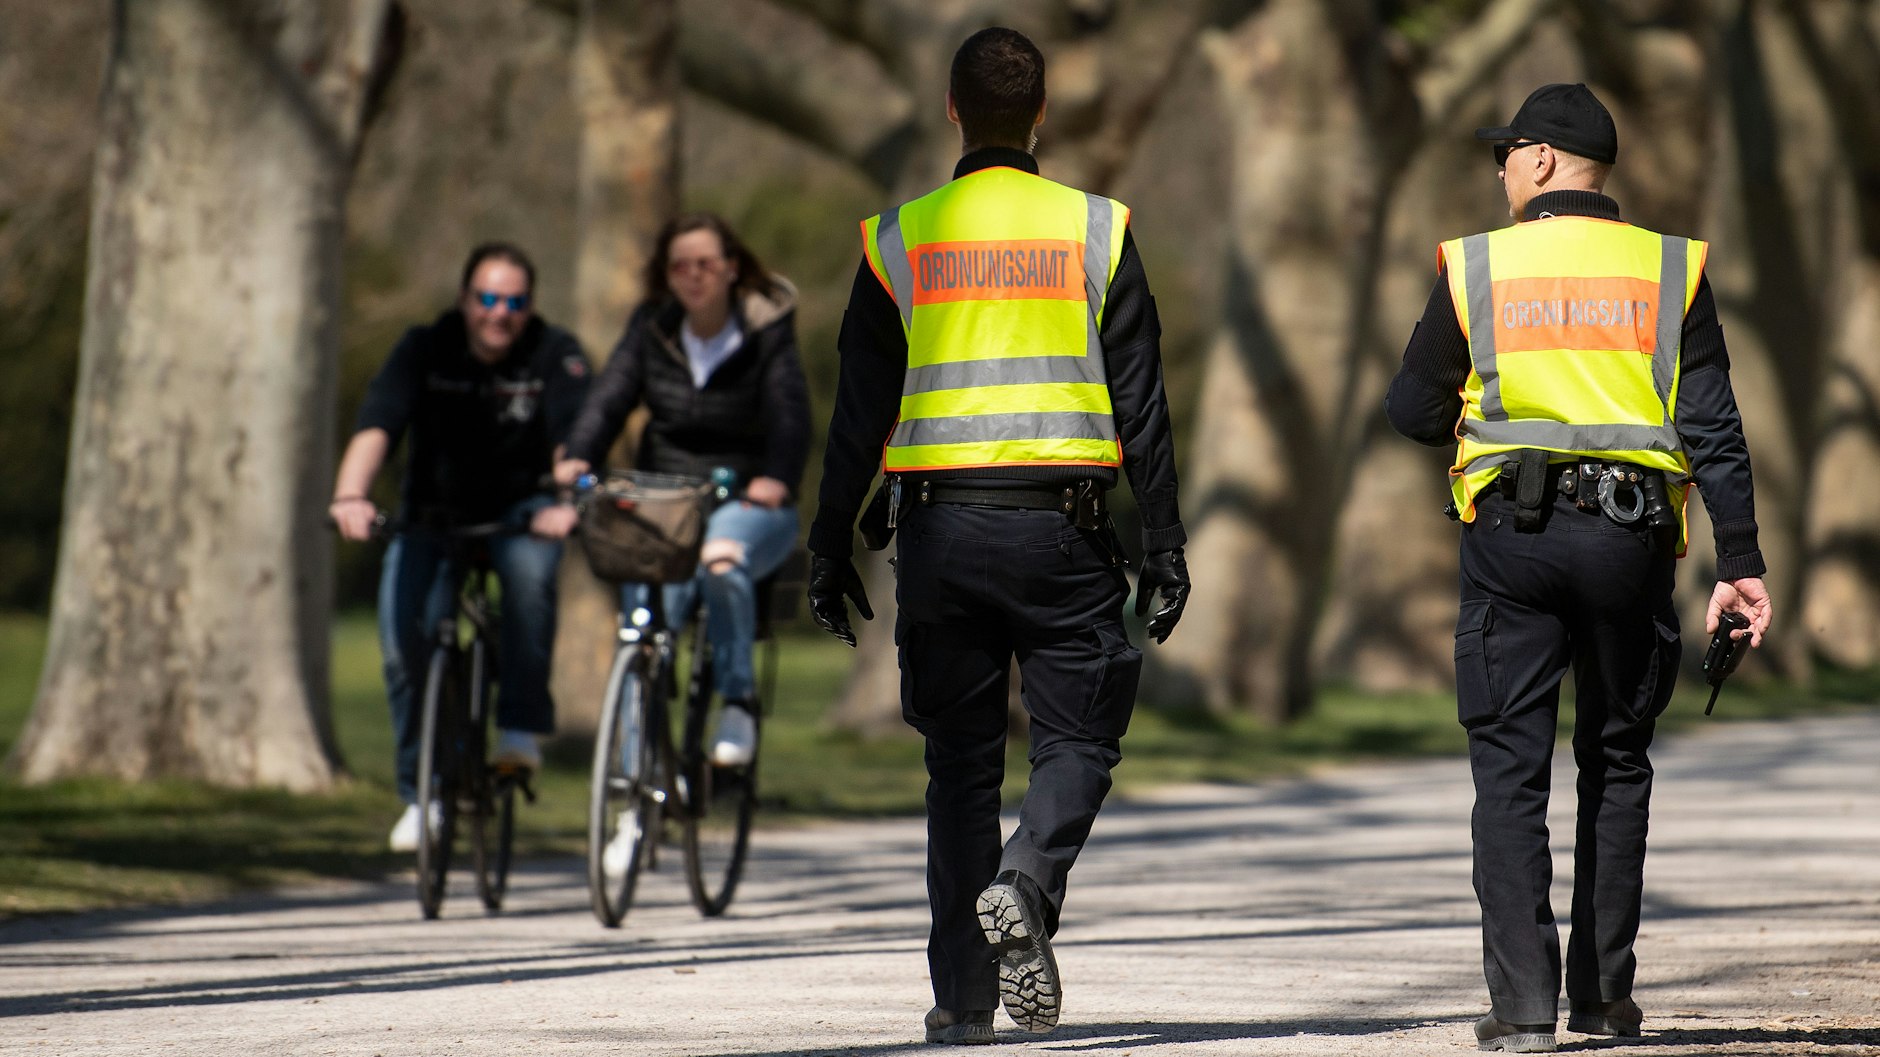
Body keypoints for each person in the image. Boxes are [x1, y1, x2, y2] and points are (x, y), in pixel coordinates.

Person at [806, 27, 1190, 1044]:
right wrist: (1166, 544)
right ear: (1043, 113)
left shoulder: (900, 235)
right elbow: (1141, 405)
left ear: (948, 110)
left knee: (958, 769)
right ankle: (1027, 876)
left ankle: (961, 1002)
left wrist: (822, 541)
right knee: (1077, 736)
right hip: (1058, 535)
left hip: (935, 540)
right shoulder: (1095, 229)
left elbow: (857, 409)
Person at [1385, 83, 1774, 1053]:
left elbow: (1409, 410)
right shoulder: (1668, 268)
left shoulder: (1475, 265)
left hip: (1510, 544)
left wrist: (1469, 414)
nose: (1499, 170)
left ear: (1545, 159)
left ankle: (1521, 1008)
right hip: (1630, 542)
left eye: (1505, 153)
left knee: (1507, 771)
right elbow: (1712, 429)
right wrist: (1742, 562)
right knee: (1614, 761)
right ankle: (1602, 996)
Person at [332, 242, 590, 852]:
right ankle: (424, 793)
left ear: (530, 307)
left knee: (530, 581)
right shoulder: (424, 349)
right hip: (432, 515)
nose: (500, 313)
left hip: (522, 511)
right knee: (403, 643)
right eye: (488, 299)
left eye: (514, 302)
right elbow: (379, 424)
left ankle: (520, 731)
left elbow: (573, 440)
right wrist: (349, 496)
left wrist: (567, 503)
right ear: (464, 299)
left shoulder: (555, 354)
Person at [556, 213, 810, 769]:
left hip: (744, 498)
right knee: (640, 631)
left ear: (731, 269)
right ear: (665, 276)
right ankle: (629, 795)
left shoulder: (765, 326)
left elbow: (790, 412)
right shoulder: (653, 327)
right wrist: (578, 452)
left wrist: (777, 478)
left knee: (721, 561)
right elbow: (610, 395)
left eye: (706, 265)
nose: (693, 277)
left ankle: (737, 701)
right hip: (665, 500)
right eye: (679, 267)